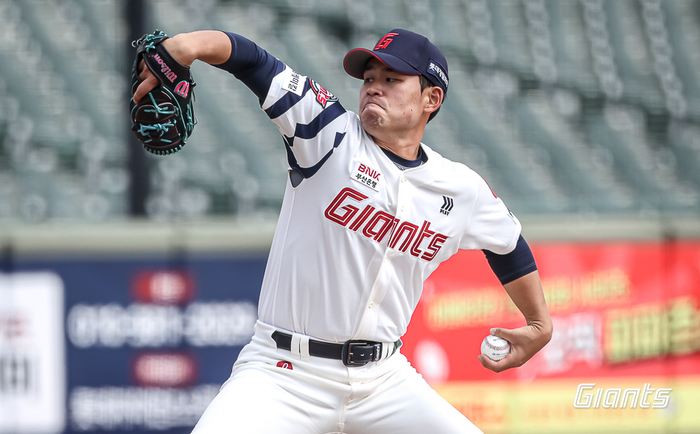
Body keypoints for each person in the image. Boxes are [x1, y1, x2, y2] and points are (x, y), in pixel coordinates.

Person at [133, 28, 552, 434]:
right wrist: (189, 45)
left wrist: (539, 323)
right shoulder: (330, 134)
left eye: (391, 79)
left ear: (432, 99)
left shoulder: (460, 188)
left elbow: (508, 244)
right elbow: (255, 63)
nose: (374, 88)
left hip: (383, 381)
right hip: (284, 375)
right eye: (369, 79)